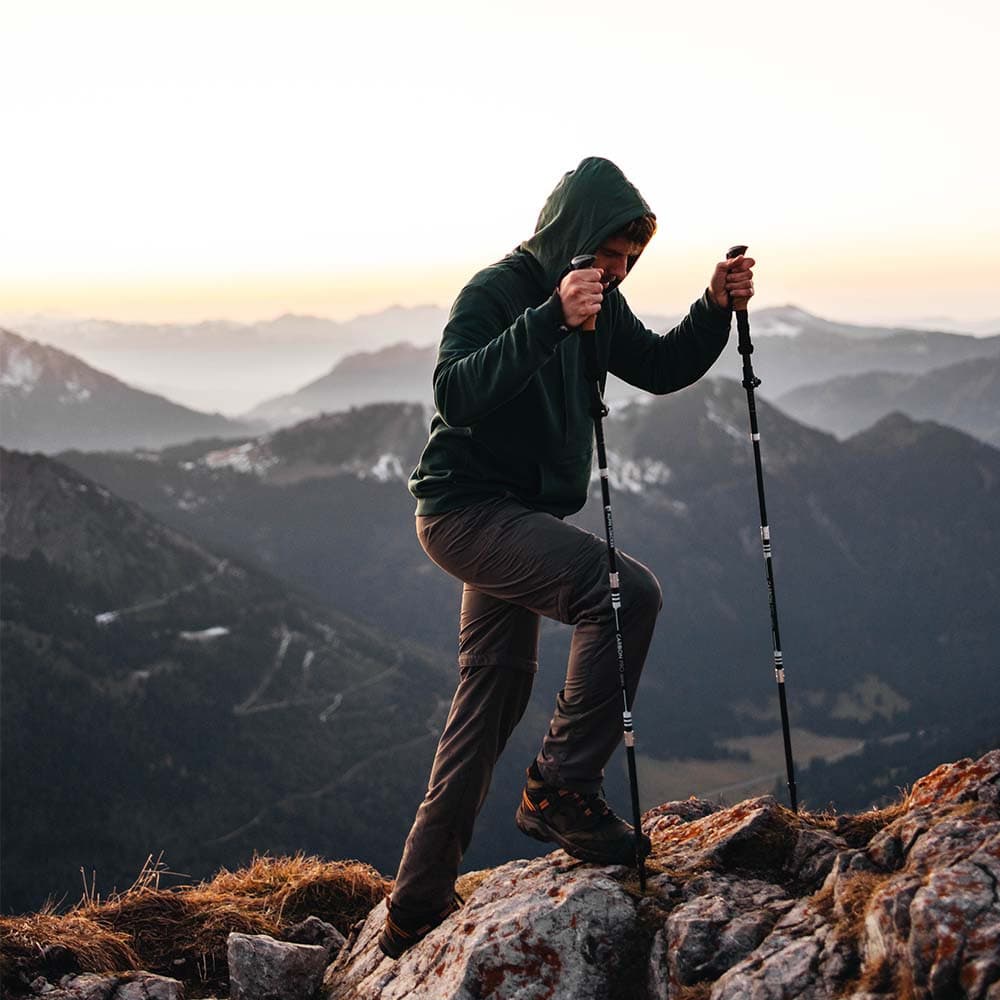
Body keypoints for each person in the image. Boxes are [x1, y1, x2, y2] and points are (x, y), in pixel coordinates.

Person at [379, 156, 754, 959]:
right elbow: (455, 392)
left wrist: (713, 307)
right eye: (609, 256)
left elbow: (657, 366)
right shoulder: (499, 290)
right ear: (571, 236)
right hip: (463, 513)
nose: (617, 274)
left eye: (629, 263)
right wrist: (551, 317)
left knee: (490, 704)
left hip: (514, 519)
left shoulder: (601, 302)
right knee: (623, 593)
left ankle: (413, 904)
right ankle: (562, 787)